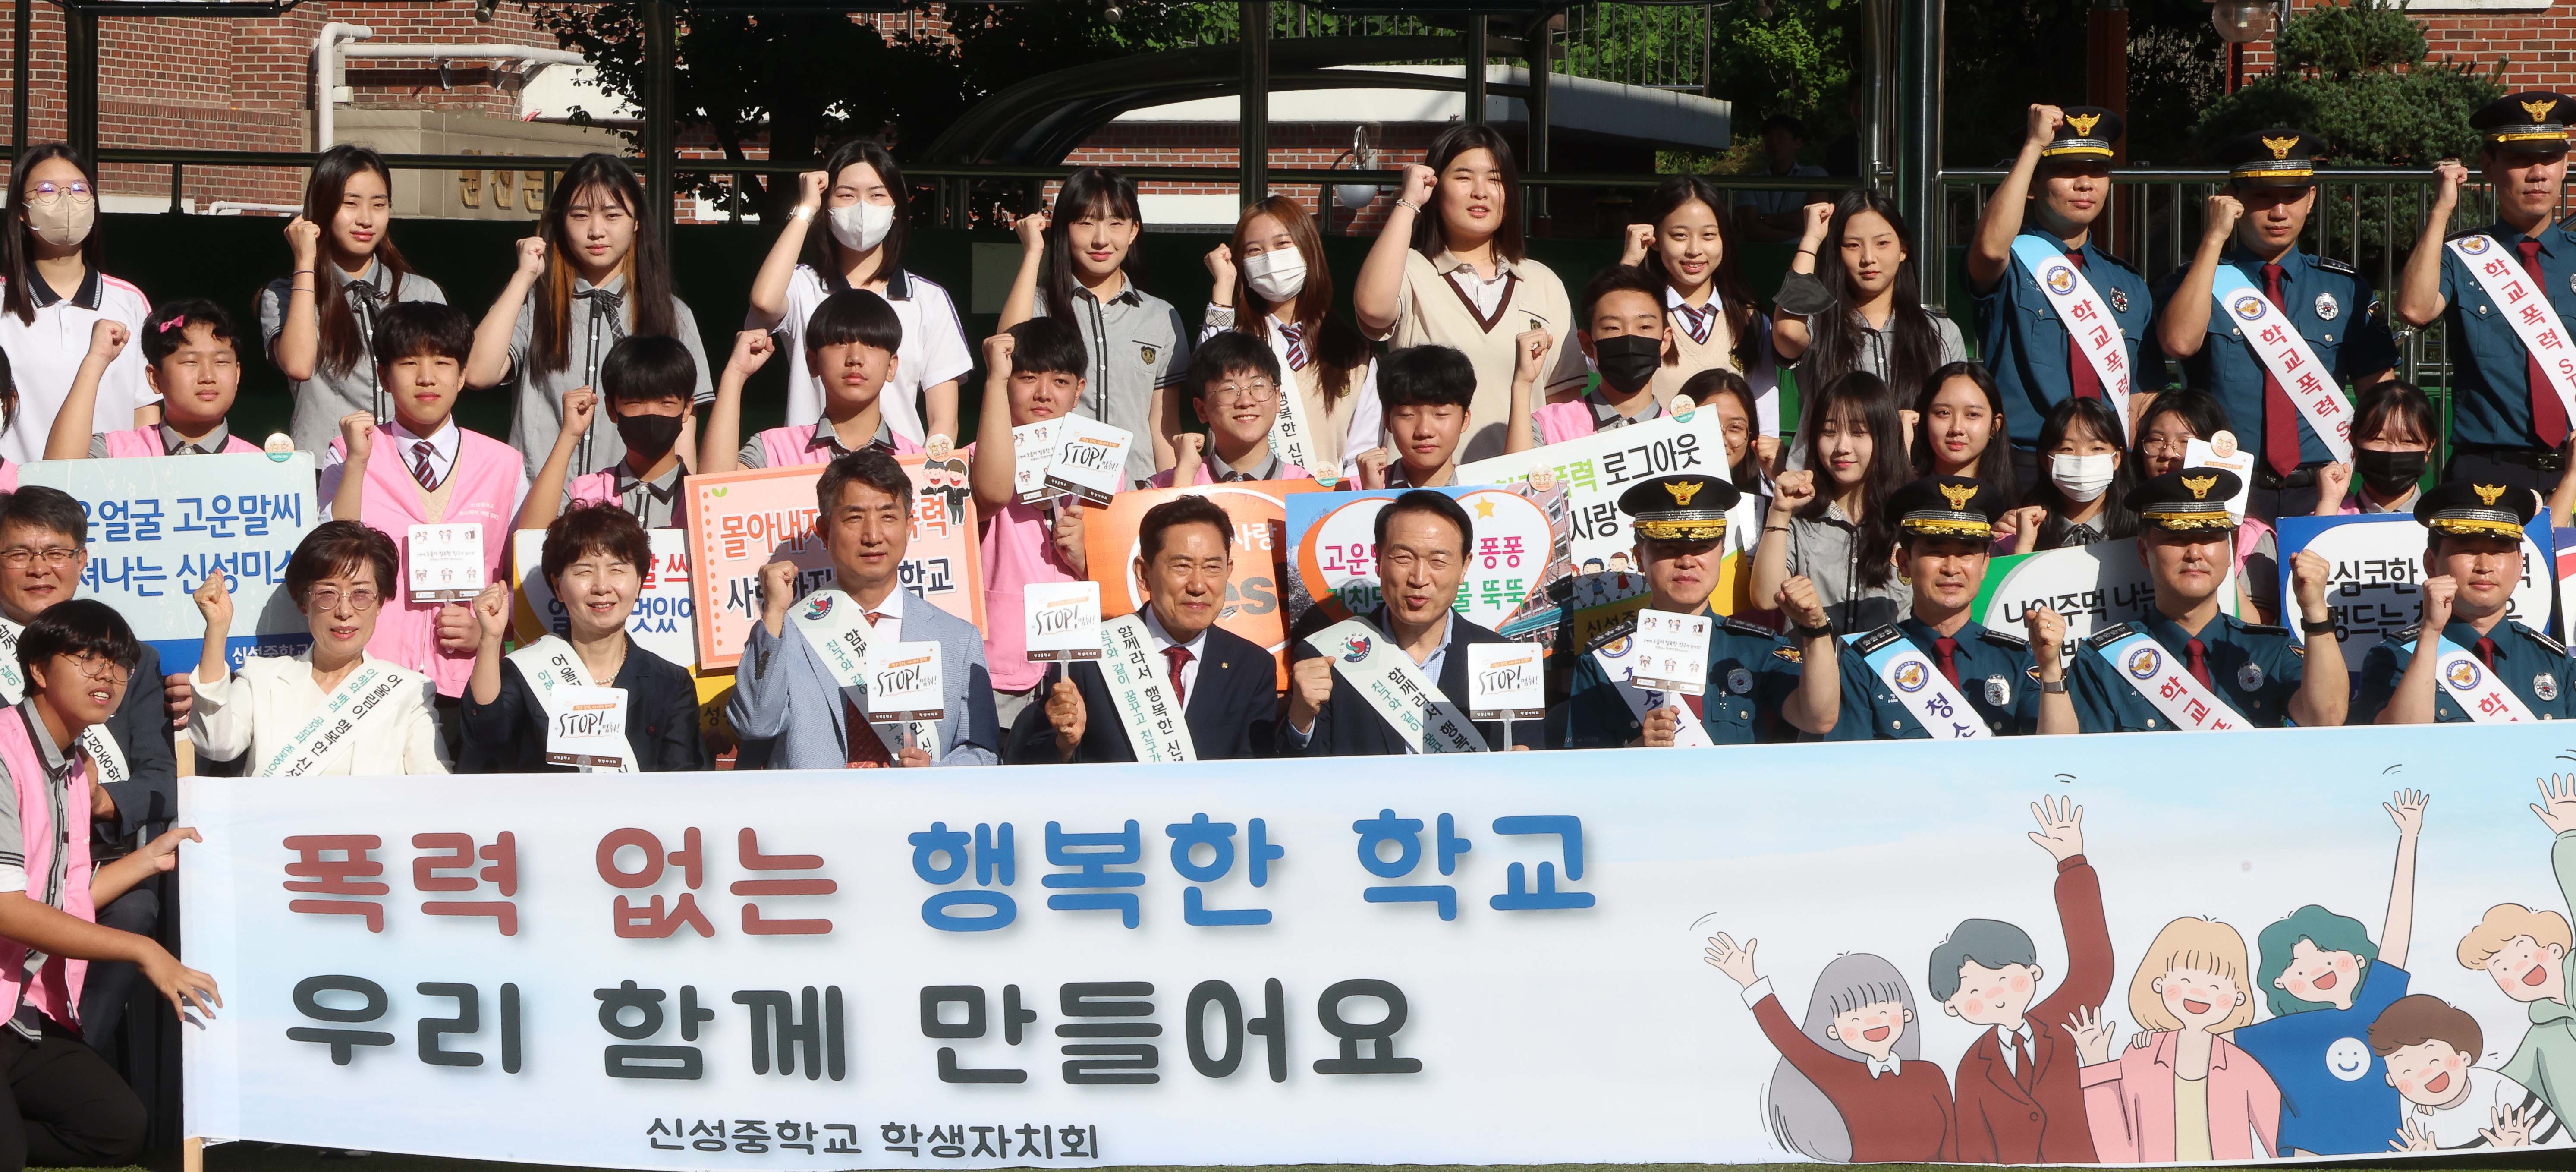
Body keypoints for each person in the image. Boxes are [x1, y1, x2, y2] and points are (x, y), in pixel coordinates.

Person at [0, 599, 217, 1172]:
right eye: (87, 657)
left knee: (116, 1130)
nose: (107, 674)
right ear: (39, 670)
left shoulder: (73, 769)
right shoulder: (3, 749)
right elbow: (7, 910)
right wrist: (143, 949)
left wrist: (147, 860)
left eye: (118, 662)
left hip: (17, 1012)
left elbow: (65, 902)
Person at [0, 488, 175, 1055]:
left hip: (96, 856)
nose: (39, 568)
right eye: (19, 553)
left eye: (56, 553)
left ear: (82, 560)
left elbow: (160, 777)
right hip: (11, 856)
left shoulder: (132, 659)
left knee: (137, 905)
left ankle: (74, 1053)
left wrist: (101, 801)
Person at [2155, 128, 2396, 520]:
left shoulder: (2344, 286)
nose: (2279, 212)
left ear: (2311, 198)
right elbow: (2179, 343)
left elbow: (2380, 395)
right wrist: (2214, 238)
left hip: (2322, 488)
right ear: (2234, 199)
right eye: (2262, 197)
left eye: (2292, 196)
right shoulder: (2199, 280)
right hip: (2223, 482)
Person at [321, 301, 530, 729]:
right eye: (409, 362)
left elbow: (526, 575)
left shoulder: (504, 464)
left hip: (470, 681)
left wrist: (489, 631)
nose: (426, 377)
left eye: (442, 362)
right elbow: (333, 550)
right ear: (384, 376)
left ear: (462, 374)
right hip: (370, 677)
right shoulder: (347, 452)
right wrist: (358, 462)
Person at [728, 449, 999, 768]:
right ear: (825, 531)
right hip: (813, 800)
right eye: (854, 518)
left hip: (914, 801)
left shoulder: (958, 639)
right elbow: (754, 724)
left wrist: (935, 773)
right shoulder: (788, 631)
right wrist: (774, 613)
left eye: (888, 517)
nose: (872, 536)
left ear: (909, 526)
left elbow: (983, 752)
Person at [466, 153, 713, 481]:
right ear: (561, 221)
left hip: (627, 501)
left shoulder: (671, 313)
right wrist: (524, 278)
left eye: (612, 215)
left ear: (636, 221)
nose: (596, 231)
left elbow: (683, 428)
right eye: (580, 216)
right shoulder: (534, 302)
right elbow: (477, 373)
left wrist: (680, 501)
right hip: (540, 498)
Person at [1554, 473, 1842, 747]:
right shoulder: (1602, 660)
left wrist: (1816, 629)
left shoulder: (1755, 648)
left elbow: (1819, 719)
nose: (1687, 561)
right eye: (1669, 548)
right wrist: (1639, 749)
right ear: (1639, 558)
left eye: (1702, 546)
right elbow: (1582, 769)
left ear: (1721, 553)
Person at [1352, 124, 1579, 464]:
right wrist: (1409, 202)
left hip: (1519, 487)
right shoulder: (1409, 269)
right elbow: (1372, 308)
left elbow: (1564, 404)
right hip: (1426, 487)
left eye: (1495, 179)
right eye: (1463, 177)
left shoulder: (1542, 281)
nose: (1480, 192)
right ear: (1434, 186)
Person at [2069, 467, 2346, 731]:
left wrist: (2315, 612)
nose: (2194, 553)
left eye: (2209, 537)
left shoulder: (2267, 650)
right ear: (2144, 552)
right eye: (2177, 538)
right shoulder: (2105, 660)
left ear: (2230, 551)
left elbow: (2327, 718)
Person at [2395, 92, 2576, 495]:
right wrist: (2441, 210)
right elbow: (2414, 310)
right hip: (2488, 471)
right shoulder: (2462, 256)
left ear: (2565, 166)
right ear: (2489, 167)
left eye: (2550, 159)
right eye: (2520, 160)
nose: (2537, 174)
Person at [2233, 791, 2430, 1155]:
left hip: (2386, 1148)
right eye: (2296, 967)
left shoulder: (2377, 1005)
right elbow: (2206, 1036)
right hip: (2307, 1153)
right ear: (2280, 984)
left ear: (2359, 958)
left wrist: (2408, 839)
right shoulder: (2281, 1031)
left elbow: (2396, 933)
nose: (2316, 970)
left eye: (2327, 955)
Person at [1009, 496, 1277, 763]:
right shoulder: (1088, 656)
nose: (1198, 585)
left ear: (1228, 571)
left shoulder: (1252, 667)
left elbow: (1259, 775)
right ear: (1143, 573)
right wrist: (1065, 745)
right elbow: (1030, 765)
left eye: (1212, 568)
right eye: (1182, 566)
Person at [1967, 105, 2155, 485]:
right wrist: (2034, 146)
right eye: (2066, 171)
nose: (2085, 184)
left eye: (2098, 171)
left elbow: (2140, 393)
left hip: (2108, 467)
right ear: (2032, 185)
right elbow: (1988, 249)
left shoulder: (2127, 282)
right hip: (2025, 463)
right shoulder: (2012, 260)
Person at [746, 138, 970, 446]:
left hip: (898, 469)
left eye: (877, 195)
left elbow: (944, 420)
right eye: (846, 195)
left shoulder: (928, 298)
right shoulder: (801, 285)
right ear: (827, 207)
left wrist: (927, 467)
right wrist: (806, 209)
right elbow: (764, 301)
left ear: (896, 208)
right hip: (810, 466)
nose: (863, 207)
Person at [1281, 490, 1542, 754]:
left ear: (1465, 567)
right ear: (1378, 559)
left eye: (1438, 561)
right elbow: (1303, 770)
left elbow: (1530, 757)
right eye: (1403, 558)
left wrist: (1525, 764)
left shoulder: (1507, 661)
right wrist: (1301, 719)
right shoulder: (1328, 655)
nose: (1419, 578)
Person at [1932, 796, 2110, 1163]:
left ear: (2033, 972)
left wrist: (2072, 863)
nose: (1994, 994)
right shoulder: (1972, 1065)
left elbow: (2092, 965)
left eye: (2002, 977)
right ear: (1951, 1006)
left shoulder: (2062, 1018)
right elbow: (1974, 1143)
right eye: (1973, 991)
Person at [463, 504, 705, 773]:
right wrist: (490, 638)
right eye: (584, 571)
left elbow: (683, 781)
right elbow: (486, 734)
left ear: (639, 582)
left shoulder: (670, 684)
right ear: (558, 586)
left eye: (617, 570)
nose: (602, 587)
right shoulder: (525, 672)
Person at [187, 522, 443, 775]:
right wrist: (217, 628)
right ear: (303, 603)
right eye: (327, 594)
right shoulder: (262, 677)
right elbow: (216, 745)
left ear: (380, 604)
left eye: (361, 594)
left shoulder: (408, 689)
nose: (344, 611)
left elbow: (436, 782)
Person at [998, 167, 1187, 487]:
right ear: (1064, 228)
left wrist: (1169, 496)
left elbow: (1163, 426)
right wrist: (1033, 252)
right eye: (1085, 223)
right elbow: (1003, 354)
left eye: (1116, 223)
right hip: (1054, 492)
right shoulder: (1039, 305)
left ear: (1133, 230)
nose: (1101, 239)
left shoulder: (1161, 317)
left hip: (1137, 492)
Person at [1846, 476, 2077, 737]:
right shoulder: (1867, 661)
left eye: (1967, 553)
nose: (1952, 568)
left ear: (1985, 565)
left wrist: (2050, 669)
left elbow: (2061, 752)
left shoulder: (2017, 657)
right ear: (1905, 562)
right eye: (1936, 552)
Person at [263, 144, 447, 457]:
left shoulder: (421, 293)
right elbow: (298, 365)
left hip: (405, 465)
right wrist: (305, 262)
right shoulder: (285, 294)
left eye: (379, 205)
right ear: (322, 207)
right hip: (326, 466)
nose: (366, 219)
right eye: (350, 204)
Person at [1702, 938, 1955, 1162]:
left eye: (1884, 1010)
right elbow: (1790, 1041)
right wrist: (1750, 980)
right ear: (1833, 1030)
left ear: (1906, 1013)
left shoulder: (1930, 1074)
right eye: (1854, 1017)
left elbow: (1953, 1140)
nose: (1873, 1021)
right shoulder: (1840, 1075)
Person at [2356, 480, 2574, 722]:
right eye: (2468, 550)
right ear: (2431, 563)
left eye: (2499, 551)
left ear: (2521, 564)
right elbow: (2400, 740)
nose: (2485, 566)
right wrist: (2431, 634)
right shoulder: (2395, 658)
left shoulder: (2554, 661)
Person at [2069, 917, 2280, 1162]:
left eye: (2215, 986)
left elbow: (2281, 1142)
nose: (2199, 992)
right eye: (2185, 981)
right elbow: (2115, 1150)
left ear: (2239, 997)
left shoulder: (2242, 1065)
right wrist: (2096, 1063)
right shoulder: (2141, 1055)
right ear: (2158, 982)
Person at [965, 320, 1090, 732]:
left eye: (1060, 381)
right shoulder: (970, 461)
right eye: (1027, 378)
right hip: (1002, 667)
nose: (1043, 393)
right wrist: (994, 379)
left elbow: (1126, 571)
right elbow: (990, 495)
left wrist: (1087, 558)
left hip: (1079, 664)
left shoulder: (1104, 463)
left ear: (1079, 390)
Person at [1202, 196, 1381, 476]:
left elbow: (1362, 455)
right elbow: (1208, 376)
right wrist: (1224, 286)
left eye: (1282, 244)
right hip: (1247, 496)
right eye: (1254, 250)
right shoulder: (1236, 343)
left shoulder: (1354, 355)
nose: (1269, 258)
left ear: (1308, 249)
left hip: (1328, 499)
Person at [1775, 192, 1966, 450]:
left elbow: (1955, 416)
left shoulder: (1941, 332)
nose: (1868, 258)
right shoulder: (1818, 325)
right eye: (1853, 246)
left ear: (1903, 250)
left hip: (1912, 473)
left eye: (1882, 243)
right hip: (1829, 473)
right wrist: (1811, 240)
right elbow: (1787, 333)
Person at [0, 145, 152, 468]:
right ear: (22, 210)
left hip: (114, 492)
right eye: (47, 190)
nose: (66, 200)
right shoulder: (3, 301)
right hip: (20, 494)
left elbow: (145, 409)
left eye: (79, 189)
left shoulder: (129, 301)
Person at [1751, 371, 1912, 633]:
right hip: (1807, 657)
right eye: (1829, 432)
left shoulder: (1909, 520)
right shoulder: (1800, 517)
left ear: (1885, 437)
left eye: (1859, 432)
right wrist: (1779, 512)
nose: (1842, 447)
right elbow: (1766, 598)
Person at [2457, 781, 2576, 1124]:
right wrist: (2445, 1096)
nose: (2518, 968)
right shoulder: (2541, 1040)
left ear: (2553, 946)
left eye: (2523, 952)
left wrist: (2569, 835)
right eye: (2502, 969)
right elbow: (2502, 1089)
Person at [705, 289, 921, 475]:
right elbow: (712, 495)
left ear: (891, 367)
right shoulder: (775, 452)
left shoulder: (919, 465)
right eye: (840, 342)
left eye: (871, 344)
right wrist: (735, 375)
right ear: (813, 362)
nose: (855, 358)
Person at [1617, 175, 1776, 415]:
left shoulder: (1750, 320)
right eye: (1679, 236)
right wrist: (1628, 266)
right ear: (1655, 239)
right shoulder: (1639, 317)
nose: (1694, 250)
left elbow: (1764, 413)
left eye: (1709, 235)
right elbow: (1597, 361)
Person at [47, 299, 262, 461]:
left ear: (238, 374)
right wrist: (96, 359)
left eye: (221, 362)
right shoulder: (114, 453)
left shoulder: (260, 466)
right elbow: (58, 479)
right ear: (154, 378)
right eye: (190, 362)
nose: (208, 377)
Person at [522, 335, 696, 531]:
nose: (650, 413)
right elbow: (530, 540)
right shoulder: (583, 495)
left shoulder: (702, 500)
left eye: (666, 403)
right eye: (634, 403)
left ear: (687, 409)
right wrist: (569, 435)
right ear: (612, 409)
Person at [2372, 993, 2569, 1151]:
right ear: (2392, 1081)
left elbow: (2559, 1141)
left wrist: (2523, 1148)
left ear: (2464, 1056)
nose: (2425, 1072)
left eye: (2433, 1059)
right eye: (2407, 1070)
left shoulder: (2501, 1092)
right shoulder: (2420, 1120)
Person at [1531, 266, 1671, 446]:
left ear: (1665, 341)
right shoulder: (1549, 427)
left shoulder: (1685, 435)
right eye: (1612, 328)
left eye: (1645, 327)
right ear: (1587, 344)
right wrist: (1522, 384)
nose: (1629, 339)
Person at [1154, 333, 1308, 487]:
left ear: (1277, 397)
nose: (1246, 402)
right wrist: (1186, 473)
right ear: (1201, 409)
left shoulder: (1306, 487)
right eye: (1229, 389)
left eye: (1258, 385)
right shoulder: (1159, 487)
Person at [1355, 345, 1488, 491]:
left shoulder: (1489, 492)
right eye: (1407, 415)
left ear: (1465, 419)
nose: (1424, 431)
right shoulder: (1358, 489)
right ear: (1387, 420)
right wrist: (1371, 496)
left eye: (1441, 414)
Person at [2014, 396, 2136, 553]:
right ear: (2046, 460)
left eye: (2097, 448)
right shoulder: (2020, 529)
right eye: (2067, 449)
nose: (2082, 459)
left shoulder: (2142, 528)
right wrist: (2023, 546)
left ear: (2117, 458)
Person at [1914, 362, 2016, 505]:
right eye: (1944, 413)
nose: (1957, 429)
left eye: (1973, 415)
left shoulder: (2015, 508)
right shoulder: (1904, 492)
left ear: (1995, 425)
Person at [2342, 380, 2439, 515]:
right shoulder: (2329, 512)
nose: (2392, 451)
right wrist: (2329, 503)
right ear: (2354, 442)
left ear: (2429, 447)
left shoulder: (2446, 521)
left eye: (2408, 441)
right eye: (2378, 439)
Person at [1734, 113, 1831, 243]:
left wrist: (1766, 219)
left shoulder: (1815, 175)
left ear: (1797, 143)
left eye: (1781, 136)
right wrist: (1800, 233)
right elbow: (1751, 231)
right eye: (1769, 137)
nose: (1774, 142)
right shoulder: (1749, 182)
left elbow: (1816, 219)